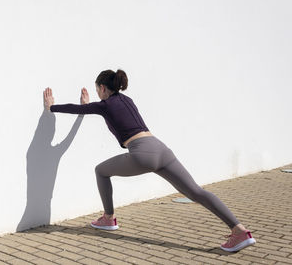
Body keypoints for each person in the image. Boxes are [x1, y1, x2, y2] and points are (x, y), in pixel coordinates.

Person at [42, 69, 256, 252]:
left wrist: (51, 107)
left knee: (100, 171)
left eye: (98, 89)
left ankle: (108, 218)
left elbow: (77, 109)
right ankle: (240, 231)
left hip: (142, 153)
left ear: (103, 89)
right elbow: (96, 110)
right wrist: (90, 105)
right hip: (161, 149)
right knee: (195, 192)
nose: (98, 94)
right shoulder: (127, 100)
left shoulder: (104, 105)